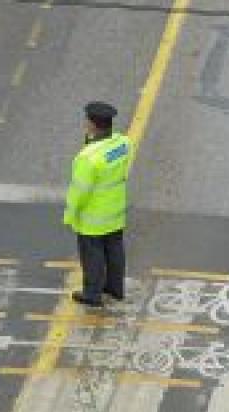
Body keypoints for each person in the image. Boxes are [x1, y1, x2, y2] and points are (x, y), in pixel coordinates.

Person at [63, 101, 132, 307]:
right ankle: (115, 288)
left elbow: (79, 192)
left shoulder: (87, 159)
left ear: (92, 125)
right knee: (114, 250)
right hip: (115, 211)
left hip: (92, 218)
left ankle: (92, 294)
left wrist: (70, 214)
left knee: (92, 257)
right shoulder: (123, 144)